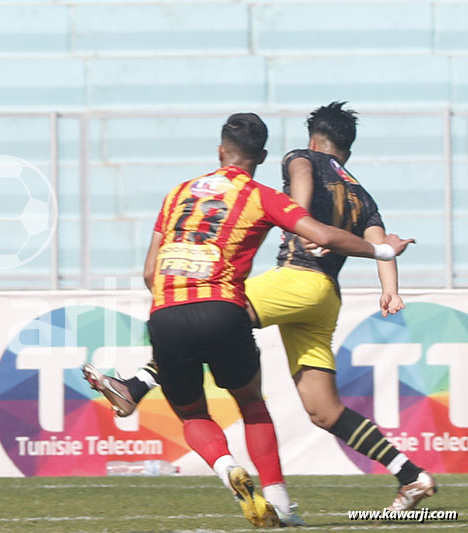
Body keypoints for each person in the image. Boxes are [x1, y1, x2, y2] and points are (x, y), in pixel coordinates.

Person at [85, 103, 435, 515]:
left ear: (314, 139)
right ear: (350, 149)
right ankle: (411, 474)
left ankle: (137, 385)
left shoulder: (302, 157)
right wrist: (390, 290)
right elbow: (382, 243)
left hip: (296, 278)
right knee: (325, 411)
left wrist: (298, 218)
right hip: (325, 297)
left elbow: (302, 177)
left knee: (213, 305)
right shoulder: (361, 193)